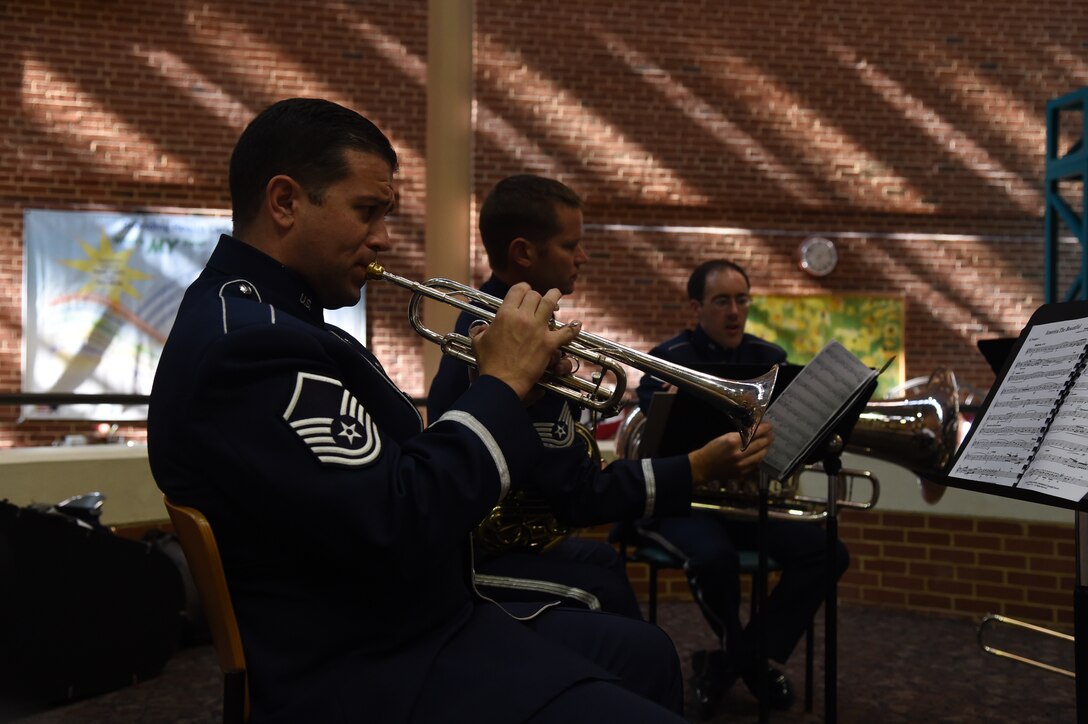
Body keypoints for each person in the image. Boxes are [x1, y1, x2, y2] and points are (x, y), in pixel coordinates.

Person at [147, 98, 770, 723]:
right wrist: (500, 384)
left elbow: (388, 479)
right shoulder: (253, 344)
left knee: (649, 659)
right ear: (284, 202)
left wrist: (506, 391)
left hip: (408, 620)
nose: (384, 238)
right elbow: (400, 520)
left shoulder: (278, 321)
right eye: (367, 211)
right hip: (372, 665)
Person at [634, 259, 851, 718]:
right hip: (684, 506)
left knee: (829, 550)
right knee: (714, 559)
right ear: (696, 306)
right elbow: (660, 436)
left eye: (742, 299)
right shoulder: (665, 360)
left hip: (747, 506)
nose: (735, 311)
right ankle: (752, 664)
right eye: (721, 301)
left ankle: (730, 663)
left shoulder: (770, 357)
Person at [428, 174, 639, 619]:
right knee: (603, 593)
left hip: (502, 529)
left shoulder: (507, 321)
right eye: (570, 245)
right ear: (524, 252)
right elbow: (577, 495)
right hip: (471, 550)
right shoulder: (500, 336)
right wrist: (695, 468)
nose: (582, 257)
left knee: (605, 561)